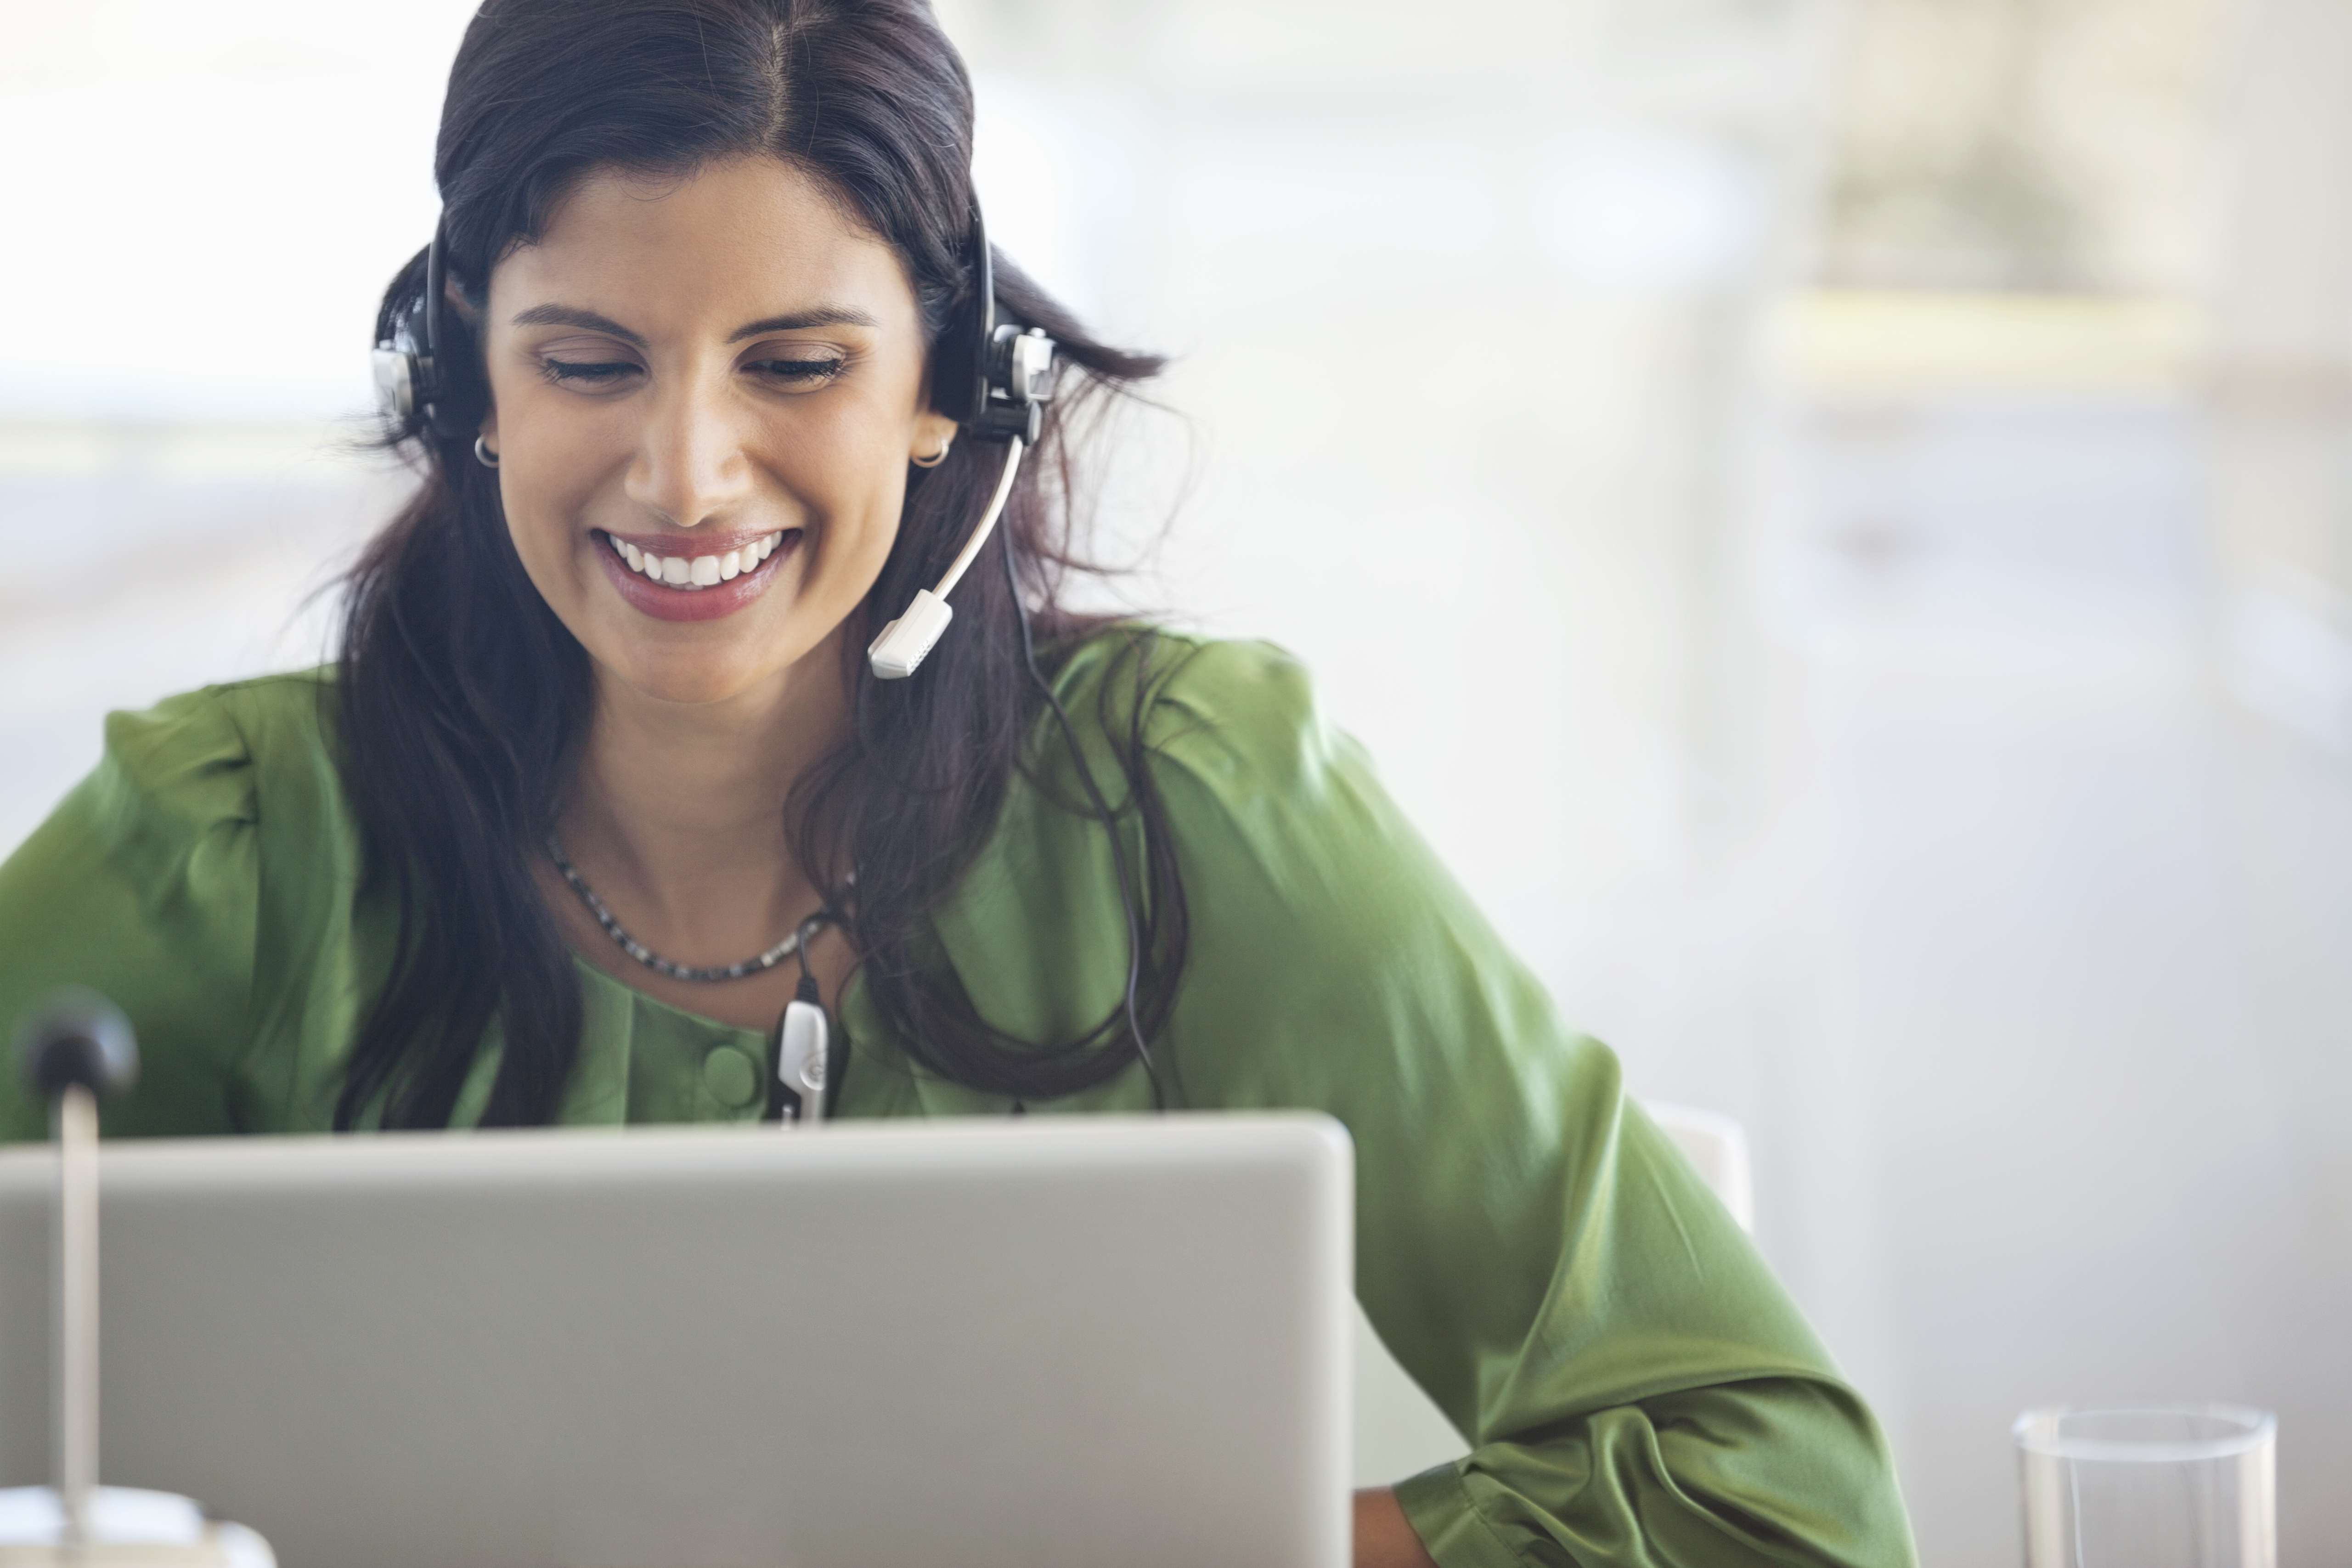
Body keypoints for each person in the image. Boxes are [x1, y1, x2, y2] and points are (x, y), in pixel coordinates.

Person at [0, 1, 1916, 1562]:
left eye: (796, 363)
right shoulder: (222, 847)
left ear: (947, 387)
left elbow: (1776, 1491)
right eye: (588, 359)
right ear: (462, 378)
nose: (685, 472)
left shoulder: (1189, 799)